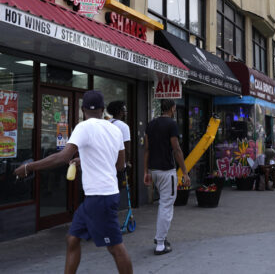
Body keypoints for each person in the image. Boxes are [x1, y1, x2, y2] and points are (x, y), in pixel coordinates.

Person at [13, 90, 133, 274]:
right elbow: (119, 165)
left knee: (115, 247)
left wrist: (29, 168)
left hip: (100, 197)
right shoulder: (115, 129)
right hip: (99, 196)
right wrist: (83, 161)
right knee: (72, 238)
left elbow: (63, 157)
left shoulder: (83, 127)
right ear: (102, 110)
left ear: (83, 109)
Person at [144, 99, 190, 255]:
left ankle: (160, 238)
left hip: (154, 170)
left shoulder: (150, 124)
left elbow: (147, 150)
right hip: (166, 171)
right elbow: (176, 149)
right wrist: (184, 171)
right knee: (166, 206)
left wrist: (145, 172)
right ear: (172, 108)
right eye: (175, 108)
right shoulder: (171, 124)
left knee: (163, 205)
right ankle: (160, 244)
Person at [107, 101, 132, 188]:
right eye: (125, 110)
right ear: (120, 112)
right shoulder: (124, 126)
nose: (126, 113)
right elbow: (127, 149)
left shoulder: (106, 123)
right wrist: (127, 162)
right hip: (119, 165)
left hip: (106, 163)